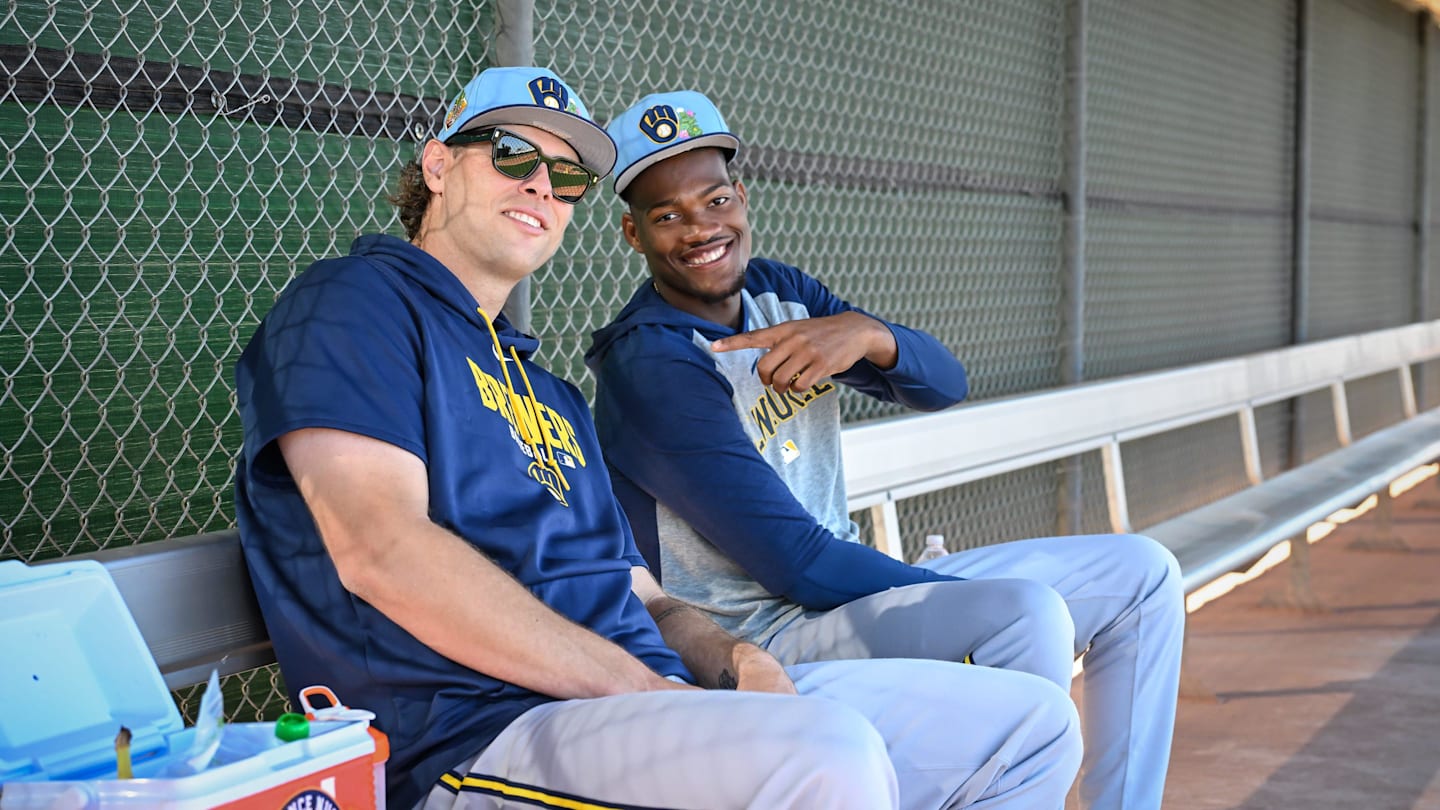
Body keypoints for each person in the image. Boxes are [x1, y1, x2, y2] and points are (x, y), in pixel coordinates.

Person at [234, 67, 1083, 810]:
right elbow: (381, 549)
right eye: (514, 156)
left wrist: (732, 662)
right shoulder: (357, 303)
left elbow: (646, 598)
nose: (542, 186)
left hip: (649, 697)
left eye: (565, 176)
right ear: (438, 165)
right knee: (828, 754)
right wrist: (643, 688)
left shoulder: (549, 393)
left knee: (1029, 725)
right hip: (484, 732)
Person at [586, 90, 1186, 810]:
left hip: (836, 598)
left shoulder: (779, 293)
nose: (699, 228)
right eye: (667, 215)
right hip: (754, 640)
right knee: (1023, 614)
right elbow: (798, 566)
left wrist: (872, 335)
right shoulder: (650, 361)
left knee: (1142, 575)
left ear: (742, 196)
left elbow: (944, 385)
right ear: (632, 234)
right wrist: (949, 596)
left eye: (715, 200)